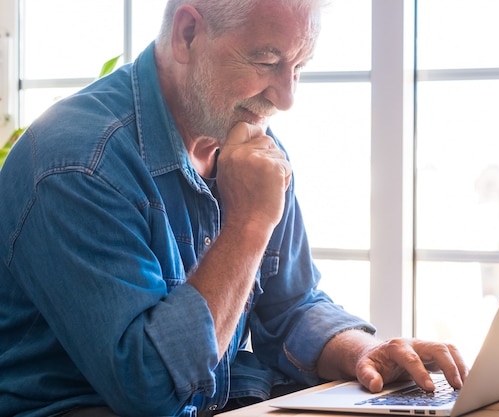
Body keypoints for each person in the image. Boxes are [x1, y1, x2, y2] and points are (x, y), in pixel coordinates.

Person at [0, 0, 468, 416]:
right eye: (267, 60)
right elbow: (151, 389)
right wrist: (248, 224)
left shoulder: (247, 144)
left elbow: (291, 305)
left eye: (299, 66)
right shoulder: (79, 163)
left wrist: (364, 351)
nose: (287, 97)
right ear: (187, 34)